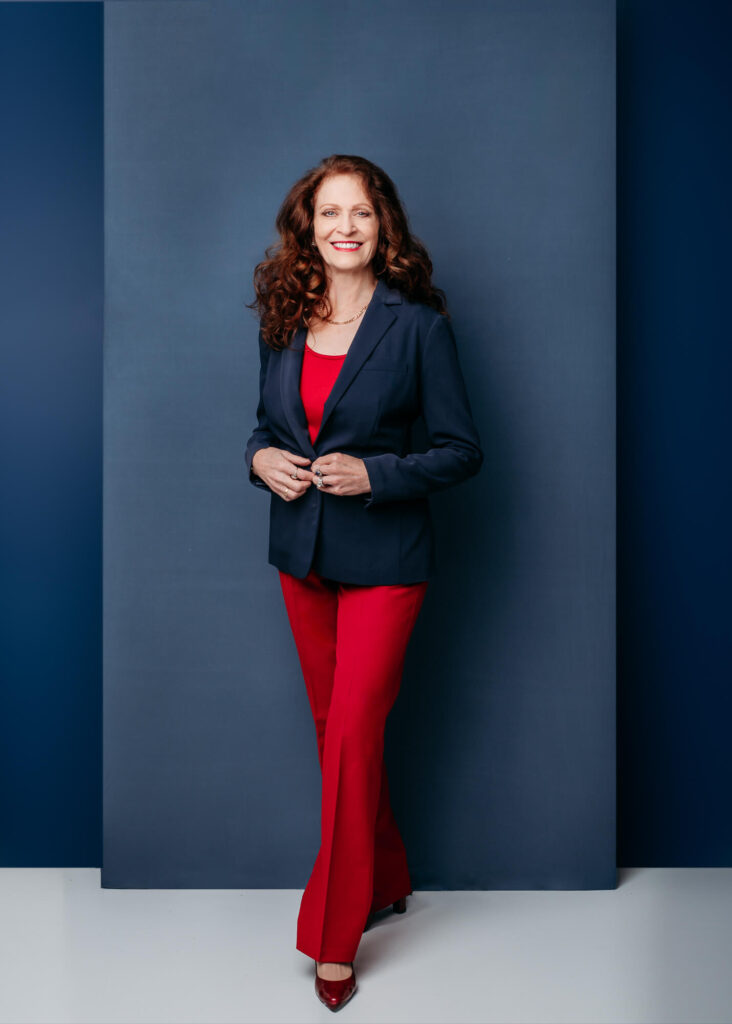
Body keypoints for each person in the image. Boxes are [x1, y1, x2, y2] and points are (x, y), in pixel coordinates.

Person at [244, 154, 483, 1010]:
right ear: (307, 226)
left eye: (363, 214)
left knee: (350, 737)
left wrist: (377, 476)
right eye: (330, 212)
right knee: (334, 737)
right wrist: (261, 460)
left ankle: (333, 937)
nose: (346, 226)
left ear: (386, 229)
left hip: (386, 563)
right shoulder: (283, 318)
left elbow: (462, 449)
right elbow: (264, 432)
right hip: (302, 560)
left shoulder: (416, 325)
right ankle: (388, 873)